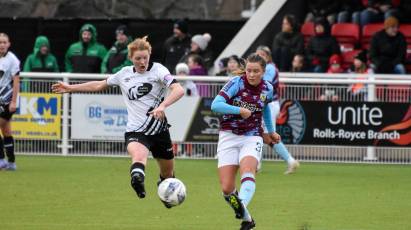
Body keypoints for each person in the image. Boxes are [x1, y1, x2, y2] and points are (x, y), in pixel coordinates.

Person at [52, 36, 185, 208]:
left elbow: (178, 89)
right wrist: (70, 88)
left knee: (168, 174)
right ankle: (137, 179)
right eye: (138, 58)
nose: (142, 61)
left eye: (145, 57)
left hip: (160, 131)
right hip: (136, 130)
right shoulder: (124, 74)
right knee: (139, 157)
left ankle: (165, 192)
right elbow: (98, 85)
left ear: (150, 54)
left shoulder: (159, 70)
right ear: (131, 58)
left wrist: (163, 106)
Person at [211, 53, 281, 230]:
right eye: (249, 70)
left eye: (256, 71)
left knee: (248, 169)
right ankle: (247, 219)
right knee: (227, 188)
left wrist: (271, 131)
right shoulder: (236, 83)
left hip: (252, 135)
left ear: (263, 72)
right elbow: (215, 105)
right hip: (228, 135)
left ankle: (241, 205)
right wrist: (238, 110)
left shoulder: (268, 88)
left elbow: (265, 110)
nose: (251, 74)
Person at [255, 46, 300, 174]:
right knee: (261, 134)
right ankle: (257, 164)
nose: (259, 57)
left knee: (267, 135)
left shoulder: (269, 68)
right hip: (265, 103)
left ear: (268, 56)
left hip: (269, 105)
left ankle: (290, 160)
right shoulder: (263, 68)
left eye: (262, 54)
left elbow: (264, 85)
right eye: (257, 54)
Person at [0, 33, 20, 171]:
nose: (2, 45)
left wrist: (13, 102)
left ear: (9, 44)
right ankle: (11, 162)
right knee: (6, 131)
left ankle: (1, 160)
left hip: (7, 101)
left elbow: (16, 81)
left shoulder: (12, 59)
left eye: (4, 42)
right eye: (0, 42)